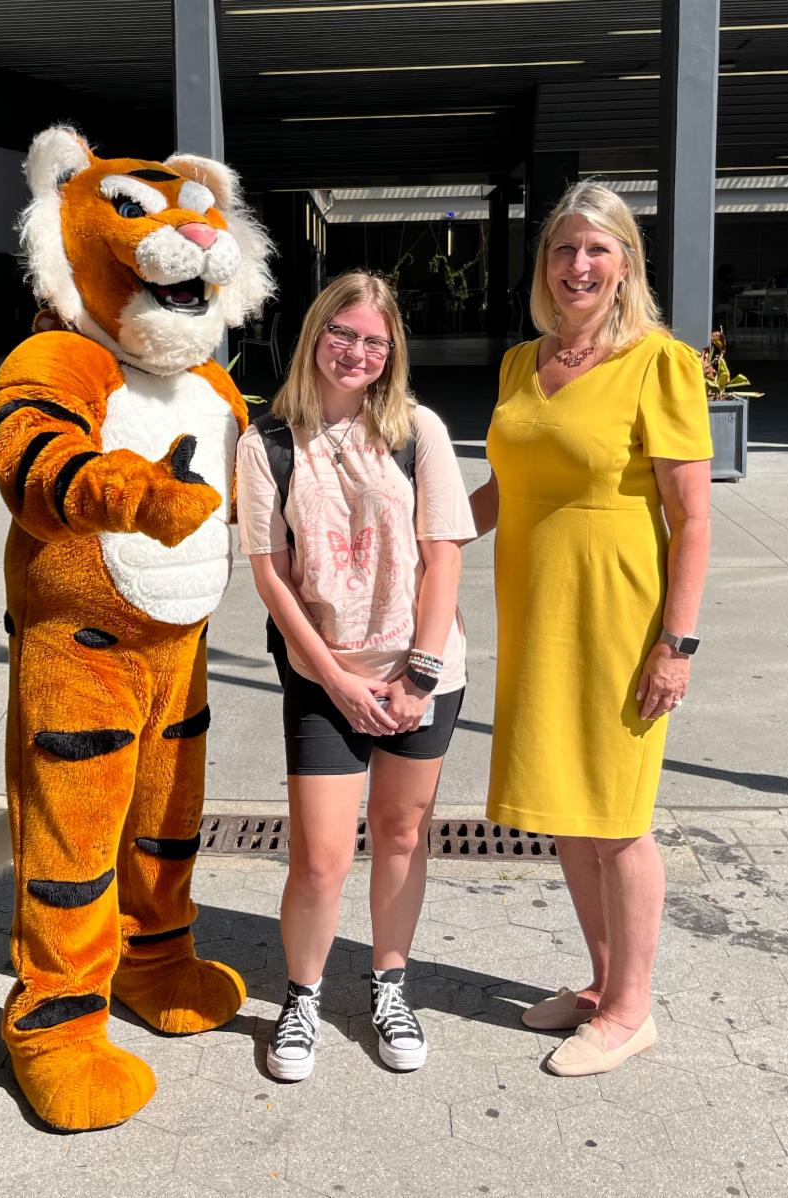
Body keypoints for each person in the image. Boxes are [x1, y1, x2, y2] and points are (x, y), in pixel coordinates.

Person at [469, 181, 712, 1077]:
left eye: (597, 249)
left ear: (625, 265)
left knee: (616, 819)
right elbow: (502, 491)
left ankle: (633, 1010)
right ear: (546, 265)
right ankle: (604, 985)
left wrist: (675, 645)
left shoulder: (659, 363)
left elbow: (692, 518)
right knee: (568, 814)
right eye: (565, 249)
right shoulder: (520, 364)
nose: (579, 265)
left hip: (617, 616)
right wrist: (423, 541)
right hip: (537, 616)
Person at [236, 270, 475, 1081]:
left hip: (423, 674)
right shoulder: (265, 441)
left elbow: (444, 558)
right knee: (319, 858)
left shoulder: (418, 432)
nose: (358, 352)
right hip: (323, 676)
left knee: (404, 836)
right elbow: (270, 574)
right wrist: (334, 679)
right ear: (315, 336)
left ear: (392, 352)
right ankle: (301, 996)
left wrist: (419, 674)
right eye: (344, 334)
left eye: (376, 340)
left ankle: (389, 983)